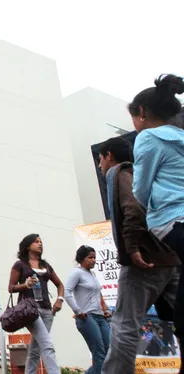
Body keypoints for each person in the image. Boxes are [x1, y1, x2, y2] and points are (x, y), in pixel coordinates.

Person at [96, 136, 180, 373]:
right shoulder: (147, 173)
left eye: (100, 160)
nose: (100, 166)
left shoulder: (119, 172)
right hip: (170, 255)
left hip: (144, 259)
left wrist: (131, 247)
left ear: (109, 156)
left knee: (124, 325)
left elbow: (133, 208)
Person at [126, 74, 184, 373]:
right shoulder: (181, 136)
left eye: (134, 116)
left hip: (172, 222)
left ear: (143, 114)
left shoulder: (148, 137)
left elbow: (141, 189)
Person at [8, 234, 63, 374]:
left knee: (35, 350)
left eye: (41, 242)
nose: (40, 244)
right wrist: (25, 285)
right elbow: (11, 287)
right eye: (36, 241)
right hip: (30, 310)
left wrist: (59, 300)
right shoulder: (20, 264)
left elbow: (60, 284)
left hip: (47, 311)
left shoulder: (45, 265)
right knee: (47, 345)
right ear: (28, 246)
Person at [64, 245, 112, 374]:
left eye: (94, 257)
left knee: (109, 352)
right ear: (81, 259)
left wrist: (104, 309)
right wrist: (78, 311)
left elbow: (98, 294)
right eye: (90, 257)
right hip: (87, 318)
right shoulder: (76, 273)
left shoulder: (93, 274)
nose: (93, 260)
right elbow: (67, 292)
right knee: (99, 352)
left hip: (100, 317)